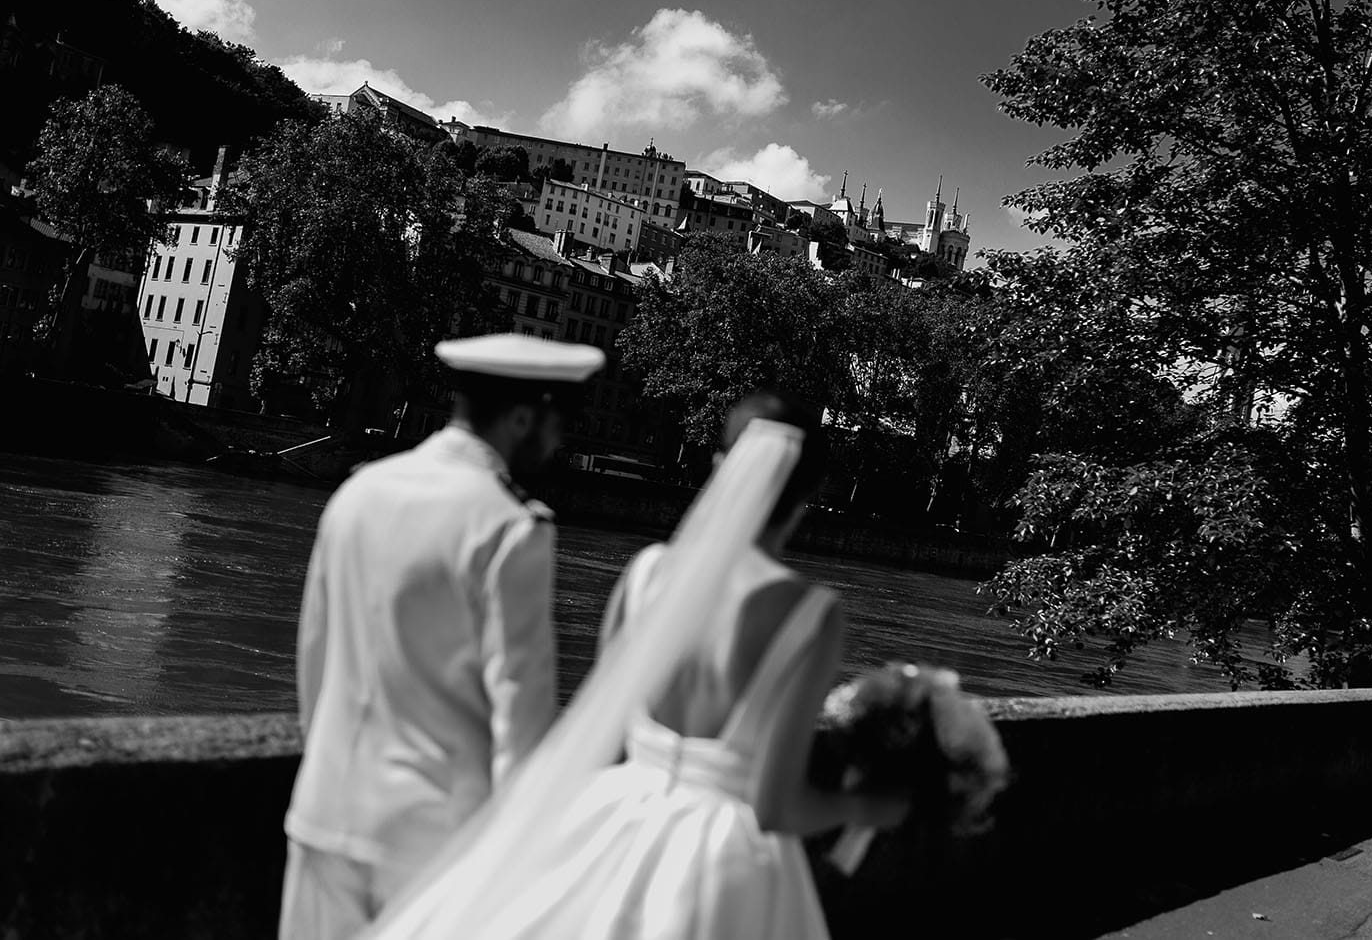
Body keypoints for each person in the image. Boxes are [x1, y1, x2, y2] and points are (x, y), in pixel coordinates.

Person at [485, 389, 909, 938]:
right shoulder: (809, 613)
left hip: (616, 822)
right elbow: (776, 807)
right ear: (811, 491)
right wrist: (865, 808)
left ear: (720, 468)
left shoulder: (647, 574)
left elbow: (595, 737)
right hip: (720, 862)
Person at [277, 332, 604, 940]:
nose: (562, 442)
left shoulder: (358, 493)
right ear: (524, 416)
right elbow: (521, 720)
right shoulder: (510, 527)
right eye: (563, 421)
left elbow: (314, 663)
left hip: (324, 811)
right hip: (432, 838)